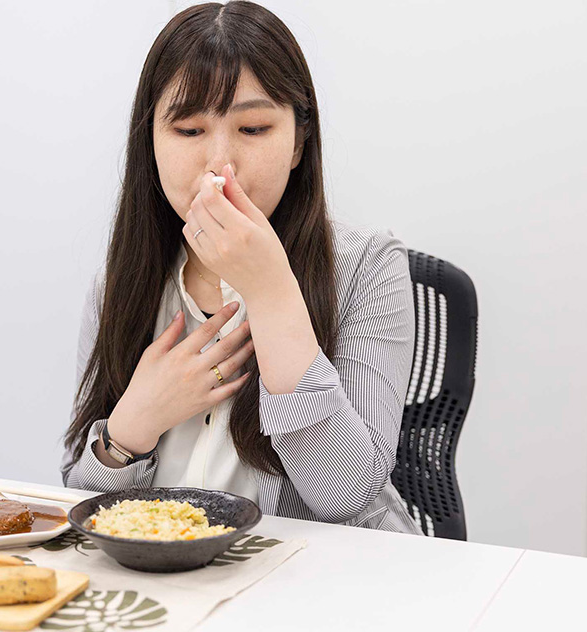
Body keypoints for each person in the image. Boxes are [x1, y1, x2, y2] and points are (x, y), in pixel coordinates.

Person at [61, 1, 419, 533]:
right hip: (169, 586)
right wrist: (130, 428)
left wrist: (271, 290)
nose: (220, 164)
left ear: (299, 141)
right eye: (187, 130)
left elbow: (346, 497)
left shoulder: (368, 267)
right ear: (150, 144)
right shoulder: (120, 285)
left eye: (252, 128)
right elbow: (83, 504)